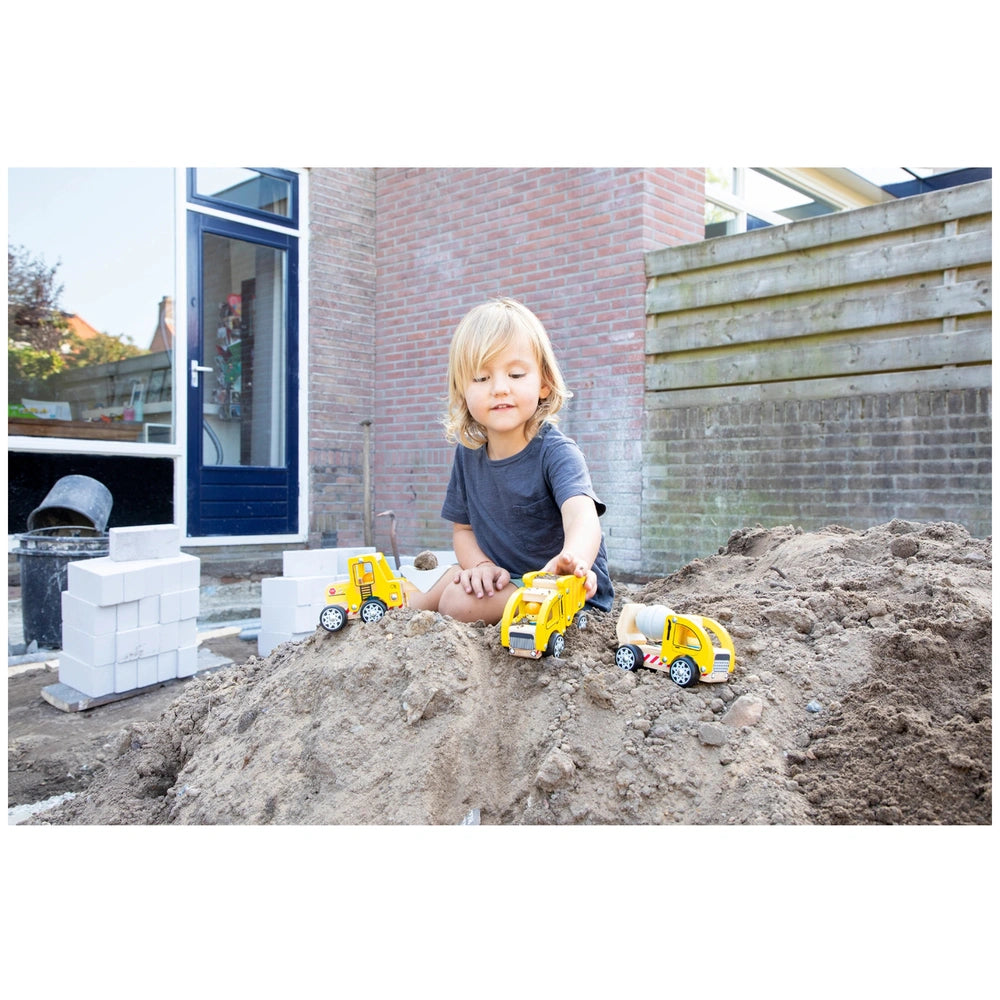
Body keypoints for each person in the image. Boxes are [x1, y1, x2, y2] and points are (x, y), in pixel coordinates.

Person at [409, 297, 613, 624]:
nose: (500, 388)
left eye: (516, 374)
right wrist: (480, 567)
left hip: (564, 592)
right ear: (462, 391)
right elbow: (463, 530)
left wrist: (572, 561)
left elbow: (582, 517)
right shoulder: (467, 455)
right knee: (435, 584)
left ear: (544, 383)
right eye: (481, 378)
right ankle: (388, 616)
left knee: (457, 601)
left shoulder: (556, 452)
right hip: (506, 578)